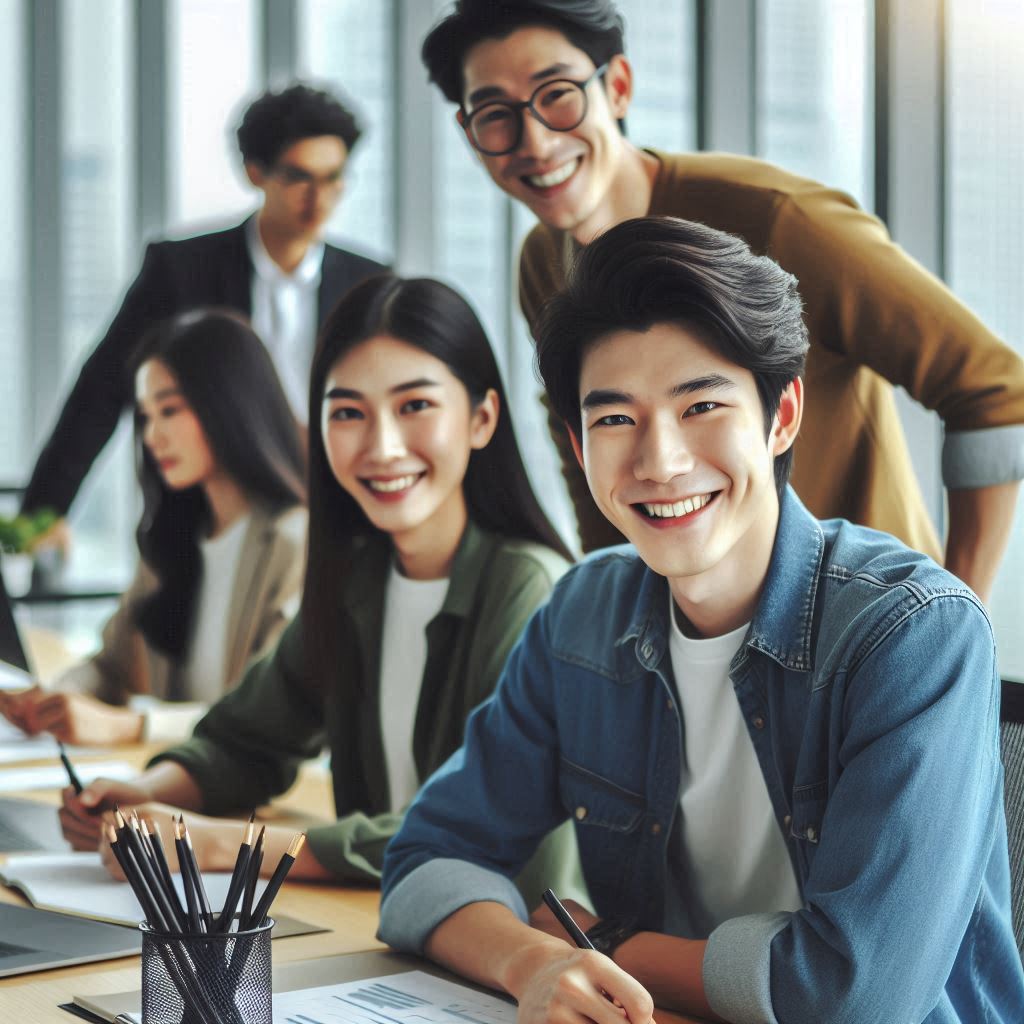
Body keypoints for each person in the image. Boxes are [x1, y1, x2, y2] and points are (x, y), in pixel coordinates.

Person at [378, 218, 1024, 1023]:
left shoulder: (914, 633)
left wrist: (606, 945)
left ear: (782, 416)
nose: (660, 461)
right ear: (577, 444)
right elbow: (424, 858)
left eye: (702, 405)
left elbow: (857, 995)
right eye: (615, 420)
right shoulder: (581, 617)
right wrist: (534, 960)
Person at [421, 0, 1024, 603]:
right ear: (470, 135)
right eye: (495, 115)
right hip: (697, 629)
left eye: (557, 94)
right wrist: (619, 616)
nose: (535, 140)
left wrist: (955, 614)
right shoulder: (542, 263)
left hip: (860, 614)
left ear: (618, 87)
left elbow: (993, 390)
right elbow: (585, 455)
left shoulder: (777, 218)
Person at [59, 274, 579, 892]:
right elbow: (247, 740)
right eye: (349, 413)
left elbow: (479, 827)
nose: (382, 447)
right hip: (389, 921)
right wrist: (147, 793)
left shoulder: (529, 589)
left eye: (415, 406)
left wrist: (221, 843)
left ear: (481, 418)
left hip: (509, 934)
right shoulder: (358, 578)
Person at [22, 83, 386, 519]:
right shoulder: (181, 271)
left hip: (334, 508)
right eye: (298, 177)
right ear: (255, 172)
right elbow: (103, 387)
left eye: (333, 178)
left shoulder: (370, 282)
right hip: (203, 514)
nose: (319, 198)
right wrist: (43, 513)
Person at [0, 310, 307, 745]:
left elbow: (271, 713)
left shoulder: (296, 543)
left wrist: (132, 726)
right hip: (170, 778)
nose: (152, 435)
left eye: (169, 410)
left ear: (228, 405)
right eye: (145, 416)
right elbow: (109, 666)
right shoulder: (173, 537)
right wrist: (54, 699)